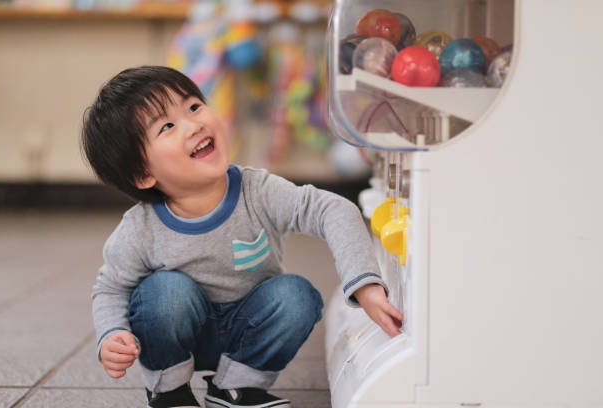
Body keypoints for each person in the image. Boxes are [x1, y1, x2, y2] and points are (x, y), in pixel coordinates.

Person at [81, 66, 403, 408]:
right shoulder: (140, 229)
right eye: (168, 127)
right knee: (166, 292)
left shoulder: (258, 190)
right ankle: (170, 392)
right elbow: (110, 288)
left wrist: (364, 283)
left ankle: (235, 388)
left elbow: (331, 210)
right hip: (180, 329)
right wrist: (112, 334)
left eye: (193, 107)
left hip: (248, 328)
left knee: (297, 296)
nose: (194, 124)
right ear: (142, 174)